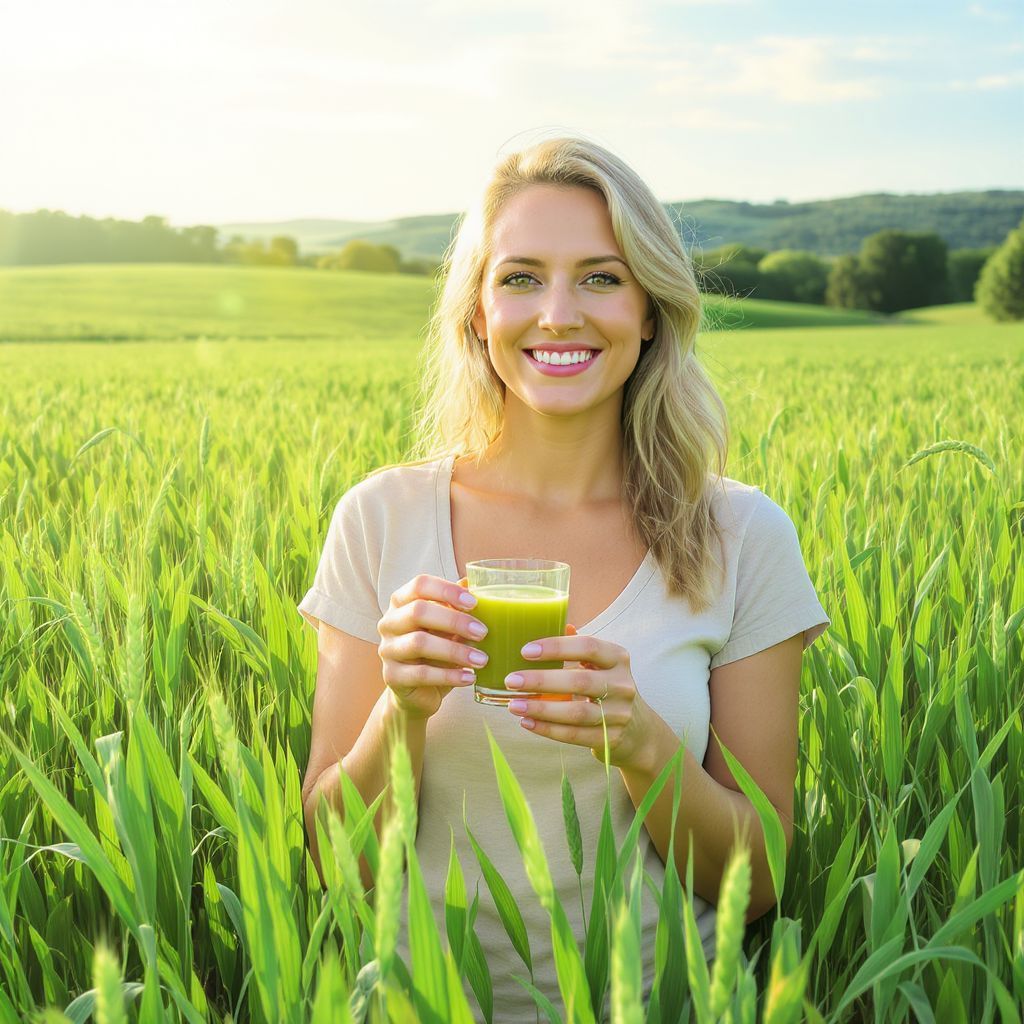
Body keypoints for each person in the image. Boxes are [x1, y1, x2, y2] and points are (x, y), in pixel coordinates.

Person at [297, 133, 830, 1021]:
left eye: (601, 276)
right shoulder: (380, 520)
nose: (557, 313)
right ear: (476, 312)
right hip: (419, 1004)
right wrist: (403, 711)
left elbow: (761, 878)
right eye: (520, 278)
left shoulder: (740, 535)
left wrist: (641, 741)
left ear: (651, 309)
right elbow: (331, 866)